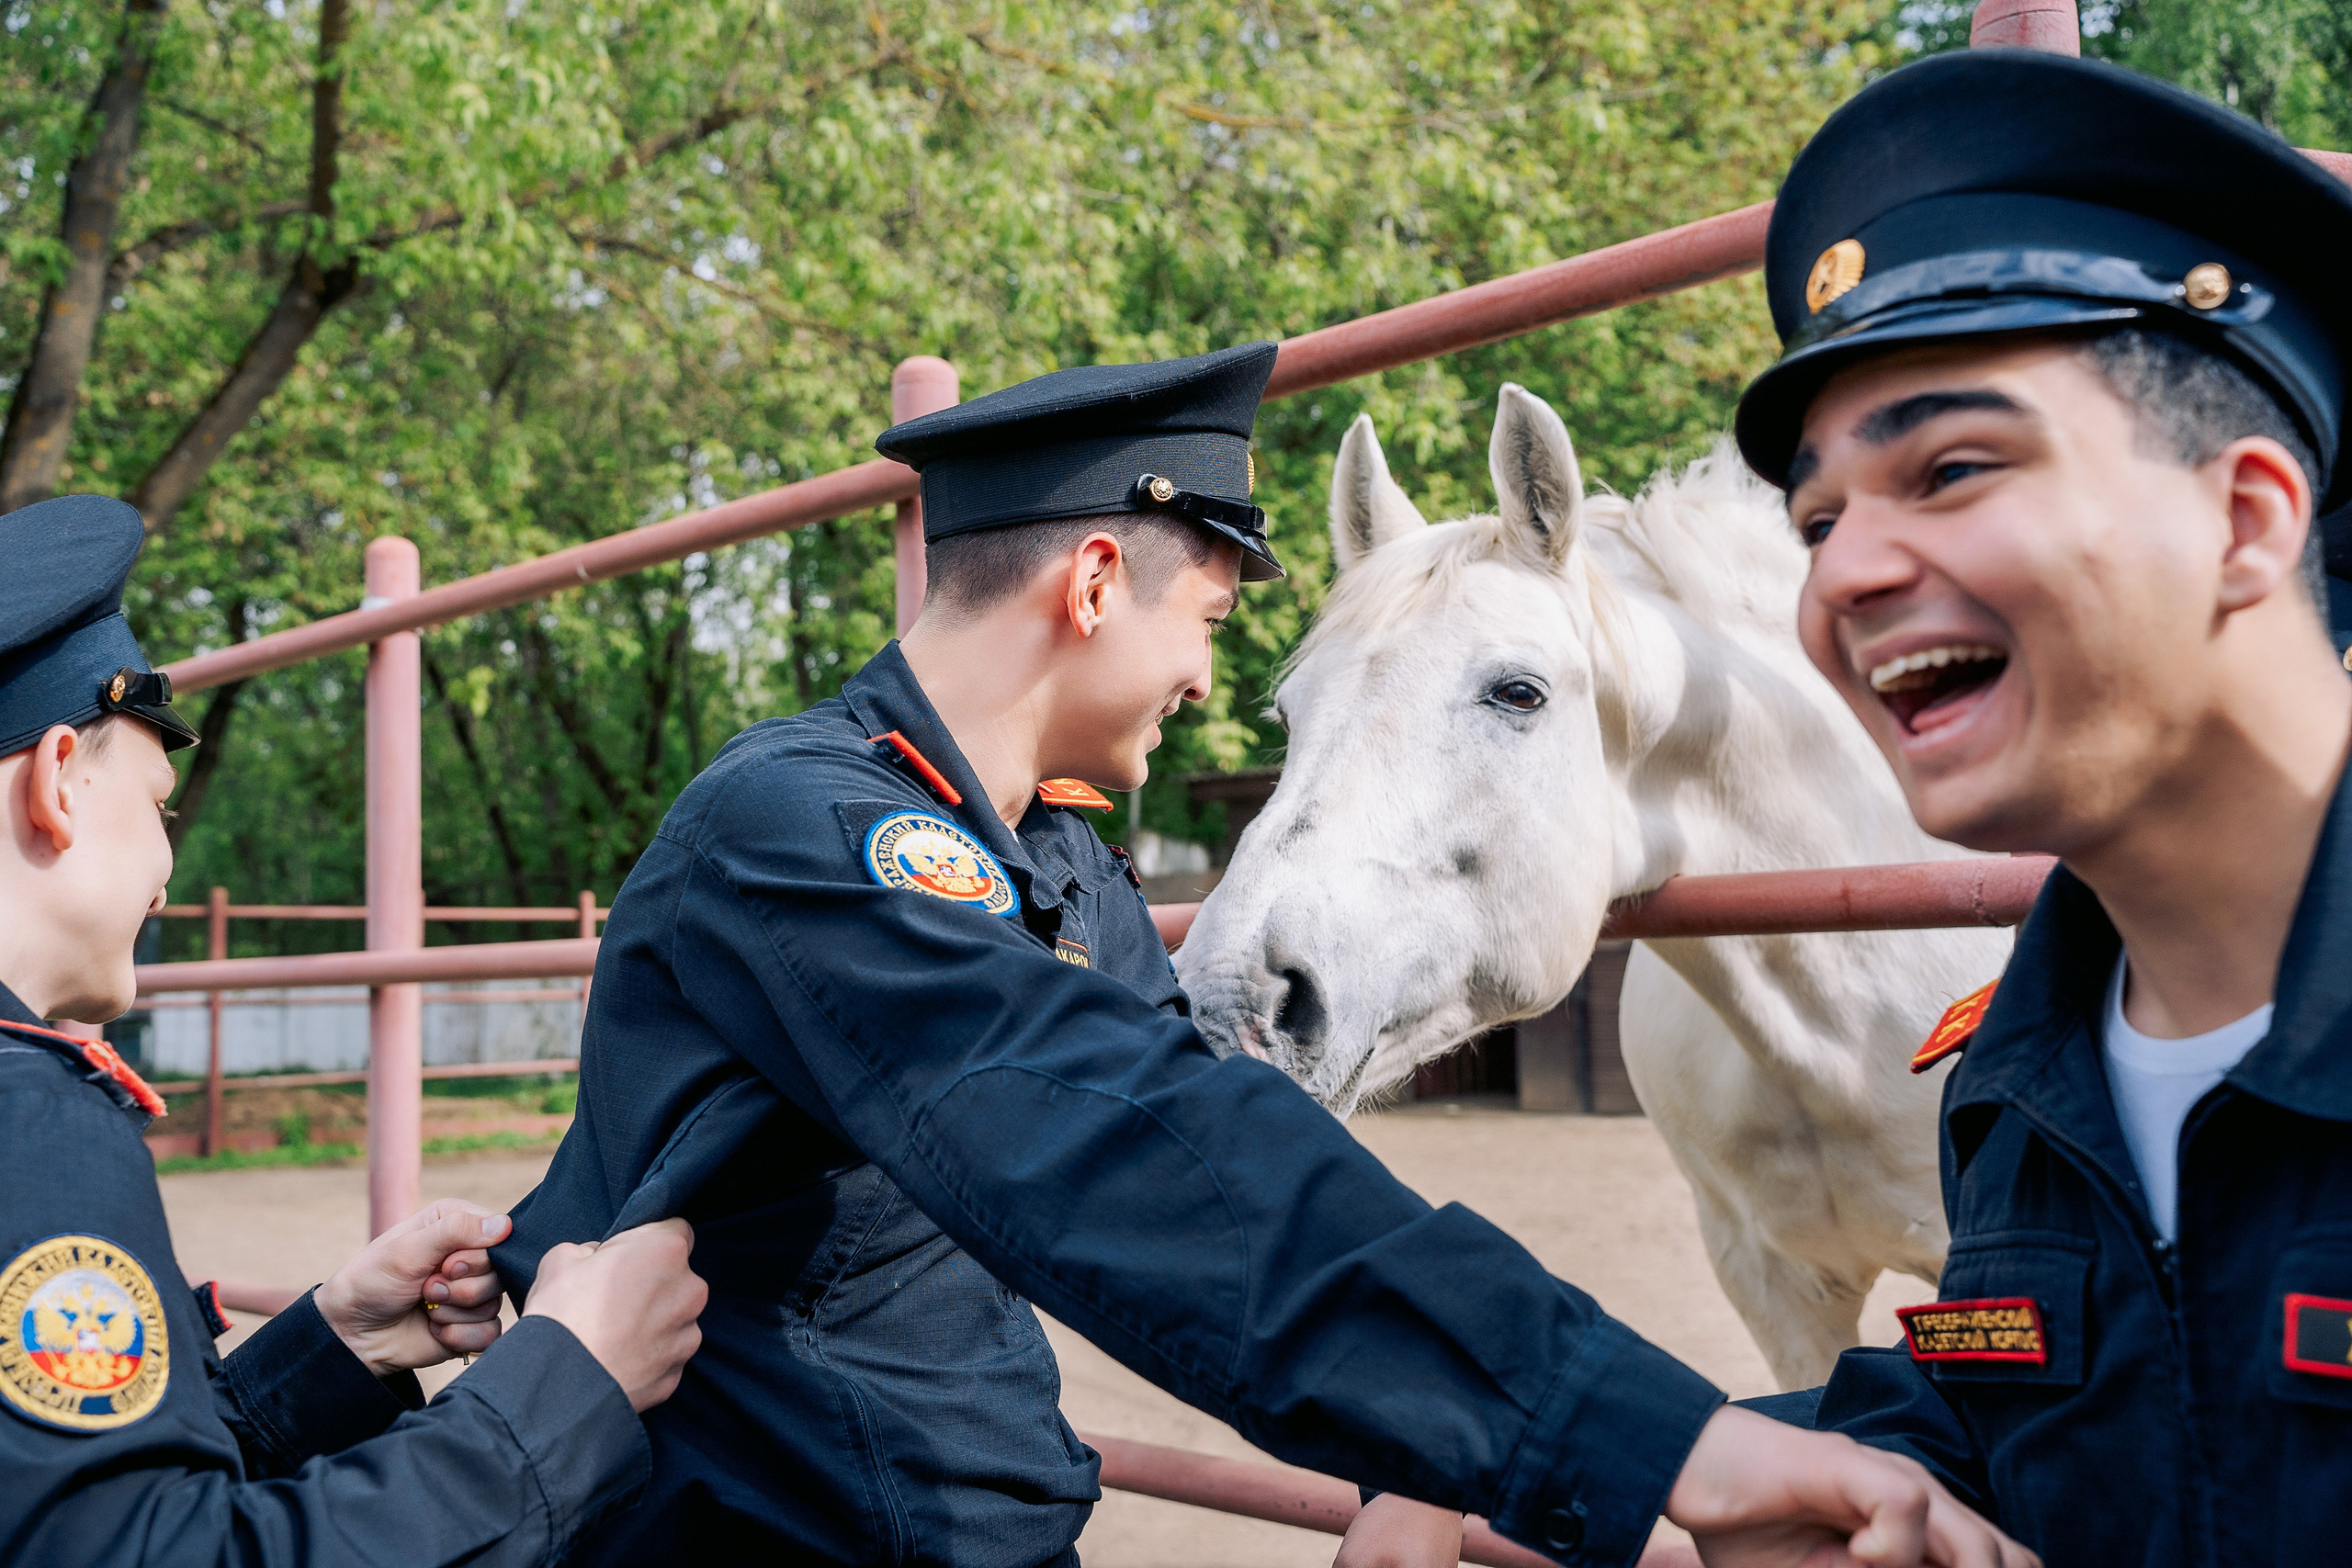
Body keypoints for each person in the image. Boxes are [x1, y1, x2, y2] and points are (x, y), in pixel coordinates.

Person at [495, 344, 2032, 1567]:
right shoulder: (804, 833)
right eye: (1211, 617)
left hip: (964, 1518)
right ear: (1096, 585)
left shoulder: (1059, 866)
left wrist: (1424, 1445)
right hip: (760, 1526)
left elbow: (1218, 1159)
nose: (1204, 675)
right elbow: (1115, 1167)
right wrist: (1647, 1437)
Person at [1719, 46, 2352, 1564]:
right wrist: (1599, 1464)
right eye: (1817, 519)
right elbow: (2072, 1404)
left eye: (1951, 467)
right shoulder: (2019, 1077)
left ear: (2244, 517)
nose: (1840, 574)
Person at [0, 493, 710, 1566]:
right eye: (158, 805)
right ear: (58, 780)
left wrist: (330, 1345)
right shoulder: (34, 1127)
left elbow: (67, 1512)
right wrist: (567, 1387)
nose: (165, 874)